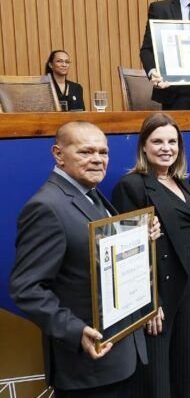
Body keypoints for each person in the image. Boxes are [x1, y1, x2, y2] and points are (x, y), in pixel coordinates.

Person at [9, 121, 151, 397]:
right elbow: (26, 288)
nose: (98, 159)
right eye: (86, 152)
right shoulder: (46, 207)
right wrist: (76, 331)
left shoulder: (91, 195)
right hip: (88, 368)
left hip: (120, 357)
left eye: (103, 152)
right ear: (58, 154)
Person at [112, 113, 190, 398]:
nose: (166, 148)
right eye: (157, 141)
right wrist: (149, 302)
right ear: (143, 146)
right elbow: (127, 254)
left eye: (172, 141)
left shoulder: (181, 182)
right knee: (157, 380)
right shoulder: (132, 185)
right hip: (159, 296)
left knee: (189, 372)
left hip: (189, 290)